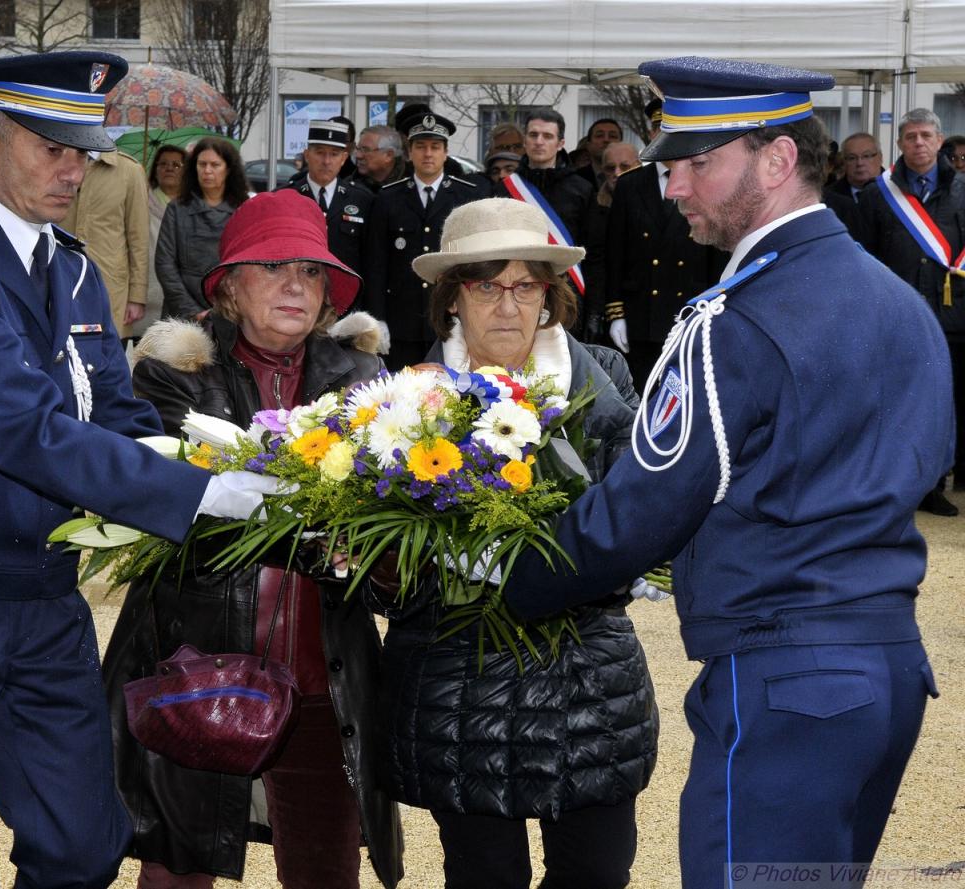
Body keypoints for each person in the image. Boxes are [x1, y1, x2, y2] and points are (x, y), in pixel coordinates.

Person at [0, 52, 282, 889]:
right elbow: (22, 428)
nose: (73, 169)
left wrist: (218, 460)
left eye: (83, 150)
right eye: (50, 148)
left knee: (82, 842)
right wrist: (198, 495)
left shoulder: (68, 267)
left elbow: (116, 414)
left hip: (41, 594)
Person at [497, 57, 951, 888]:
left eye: (696, 163)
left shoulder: (733, 320)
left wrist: (506, 578)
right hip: (887, 665)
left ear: (777, 159)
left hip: (786, 680)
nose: (672, 188)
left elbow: (645, 505)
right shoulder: (903, 304)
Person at [104, 188, 400, 889]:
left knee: (326, 870)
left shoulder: (363, 380)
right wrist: (315, 521)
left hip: (325, 674)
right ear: (230, 286)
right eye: (271, 267)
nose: (295, 283)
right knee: (177, 869)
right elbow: (172, 516)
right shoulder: (175, 374)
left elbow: (385, 526)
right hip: (195, 657)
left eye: (310, 270)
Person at [376, 197, 658, 889]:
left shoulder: (604, 381)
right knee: (483, 876)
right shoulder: (407, 399)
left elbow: (634, 519)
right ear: (452, 298)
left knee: (596, 870)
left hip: (586, 679)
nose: (508, 304)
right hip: (458, 680)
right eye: (485, 284)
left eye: (525, 284)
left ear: (549, 296)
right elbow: (387, 569)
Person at [857, 108, 965, 517]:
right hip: (897, 318)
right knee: (899, 402)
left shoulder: (963, 191)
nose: (919, 143)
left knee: (944, 402)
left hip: (953, 316)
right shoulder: (876, 194)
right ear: (899, 144)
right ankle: (898, 483)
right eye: (910, 136)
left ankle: (934, 483)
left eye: (926, 135)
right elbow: (862, 257)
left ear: (940, 142)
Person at [364, 110, 484, 369]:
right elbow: (376, 264)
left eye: (435, 147)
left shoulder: (466, 196)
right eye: (420, 146)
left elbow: (476, 262)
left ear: (445, 152)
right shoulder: (387, 198)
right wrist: (378, 319)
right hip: (402, 321)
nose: (428, 154)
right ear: (409, 152)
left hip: (451, 318)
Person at [603, 145, 727, 391]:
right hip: (641, 314)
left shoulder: (706, 180)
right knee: (641, 394)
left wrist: (714, 311)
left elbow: (717, 254)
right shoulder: (631, 184)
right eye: (658, 127)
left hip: (688, 311)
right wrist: (616, 313)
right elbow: (615, 253)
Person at [495, 109, 603, 343]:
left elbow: (594, 255)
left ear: (561, 142)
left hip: (567, 295)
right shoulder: (506, 189)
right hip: (516, 293)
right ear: (524, 140)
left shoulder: (581, 190)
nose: (539, 142)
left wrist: (595, 312)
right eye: (533, 135)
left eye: (547, 136)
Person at [63, 141, 150, 342]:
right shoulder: (56, 160)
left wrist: (137, 297)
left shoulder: (129, 171)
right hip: (62, 281)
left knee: (107, 360)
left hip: (111, 288)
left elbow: (139, 239)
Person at [156, 136, 249, 321]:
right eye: (202, 164)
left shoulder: (244, 209)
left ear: (228, 169)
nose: (207, 171)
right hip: (181, 312)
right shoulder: (177, 208)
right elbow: (165, 264)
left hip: (231, 311)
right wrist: (192, 311)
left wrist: (227, 308)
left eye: (215, 165)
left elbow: (249, 266)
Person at [287, 119, 372, 295]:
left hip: (345, 299)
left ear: (343, 159)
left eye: (334, 154)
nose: (326, 161)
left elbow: (371, 261)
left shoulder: (363, 200)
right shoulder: (287, 197)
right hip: (298, 294)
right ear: (307, 154)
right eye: (320, 152)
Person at [141, 144, 187, 340]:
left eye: (176, 165)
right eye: (163, 164)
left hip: (179, 292)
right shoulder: (142, 200)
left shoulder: (191, 206)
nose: (169, 168)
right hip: (146, 288)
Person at [826, 132, 883, 203]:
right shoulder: (827, 197)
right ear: (844, 161)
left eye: (866, 156)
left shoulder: (896, 191)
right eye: (852, 158)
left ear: (880, 158)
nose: (860, 163)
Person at [353, 124, 405, 193]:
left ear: (388, 155)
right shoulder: (349, 188)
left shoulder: (413, 186)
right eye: (358, 149)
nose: (358, 155)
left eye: (366, 150)